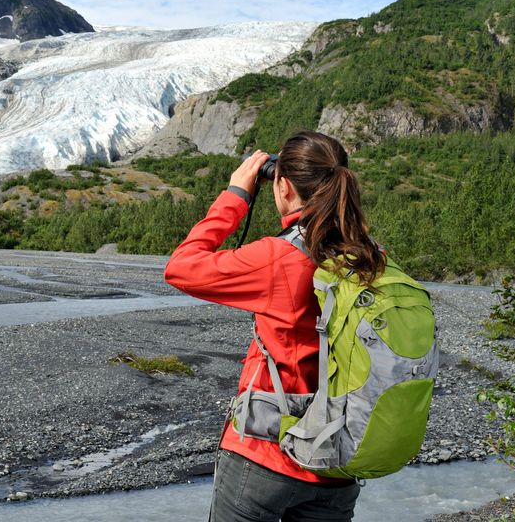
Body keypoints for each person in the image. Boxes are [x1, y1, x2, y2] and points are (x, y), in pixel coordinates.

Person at [164, 130, 385, 522]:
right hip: (338, 456)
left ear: (281, 185)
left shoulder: (278, 257)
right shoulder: (370, 255)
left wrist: (235, 196)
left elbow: (181, 267)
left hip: (268, 456)